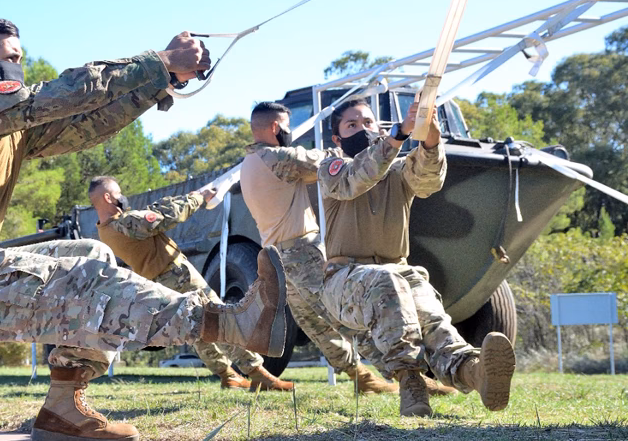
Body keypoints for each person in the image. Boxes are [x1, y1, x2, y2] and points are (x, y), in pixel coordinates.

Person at [0, 16, 291, 441]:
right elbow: (59, 95)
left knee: (93, 254)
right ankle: (232, 324)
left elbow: (81, 126)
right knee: (88, 281)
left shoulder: (4, 131)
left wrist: (160, 82)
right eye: (11, 58)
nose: (20, 67)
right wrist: (159, 60)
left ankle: (63, 407)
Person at [316, 98, 516, 417]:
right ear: (337, 139)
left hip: (399, 272)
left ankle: (476, 372)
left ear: (378, 128)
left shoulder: (398, 170)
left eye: (368, 123)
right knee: (390, 280)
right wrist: (397, 134)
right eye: (352, 125)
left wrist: (430, 138)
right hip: (343, 280)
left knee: (432, 318)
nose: (362, 129)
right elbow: (356, 179)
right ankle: (411, 382)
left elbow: (428, 181)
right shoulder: (332, 169)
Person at [240, 102, 399, 395]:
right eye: (287, 127)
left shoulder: (249, 162)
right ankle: (405, 373)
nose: (290, 134)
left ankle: (360, 377)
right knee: (343, 312)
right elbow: (325, 163)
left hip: (276, 256)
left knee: (316, 324)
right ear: (276, 128)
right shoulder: (276, 157)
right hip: (301, 251)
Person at [89, 176, 294, 391]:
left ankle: (228, 375)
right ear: (107, 197)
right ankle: (257, 373)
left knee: (198, 329)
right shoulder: (124, 224)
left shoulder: (105, 230)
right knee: (222, 320)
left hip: (161, 281)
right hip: (177, 275)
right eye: (118, 193)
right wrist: (198, 198)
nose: (123, 197)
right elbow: (166, 216)